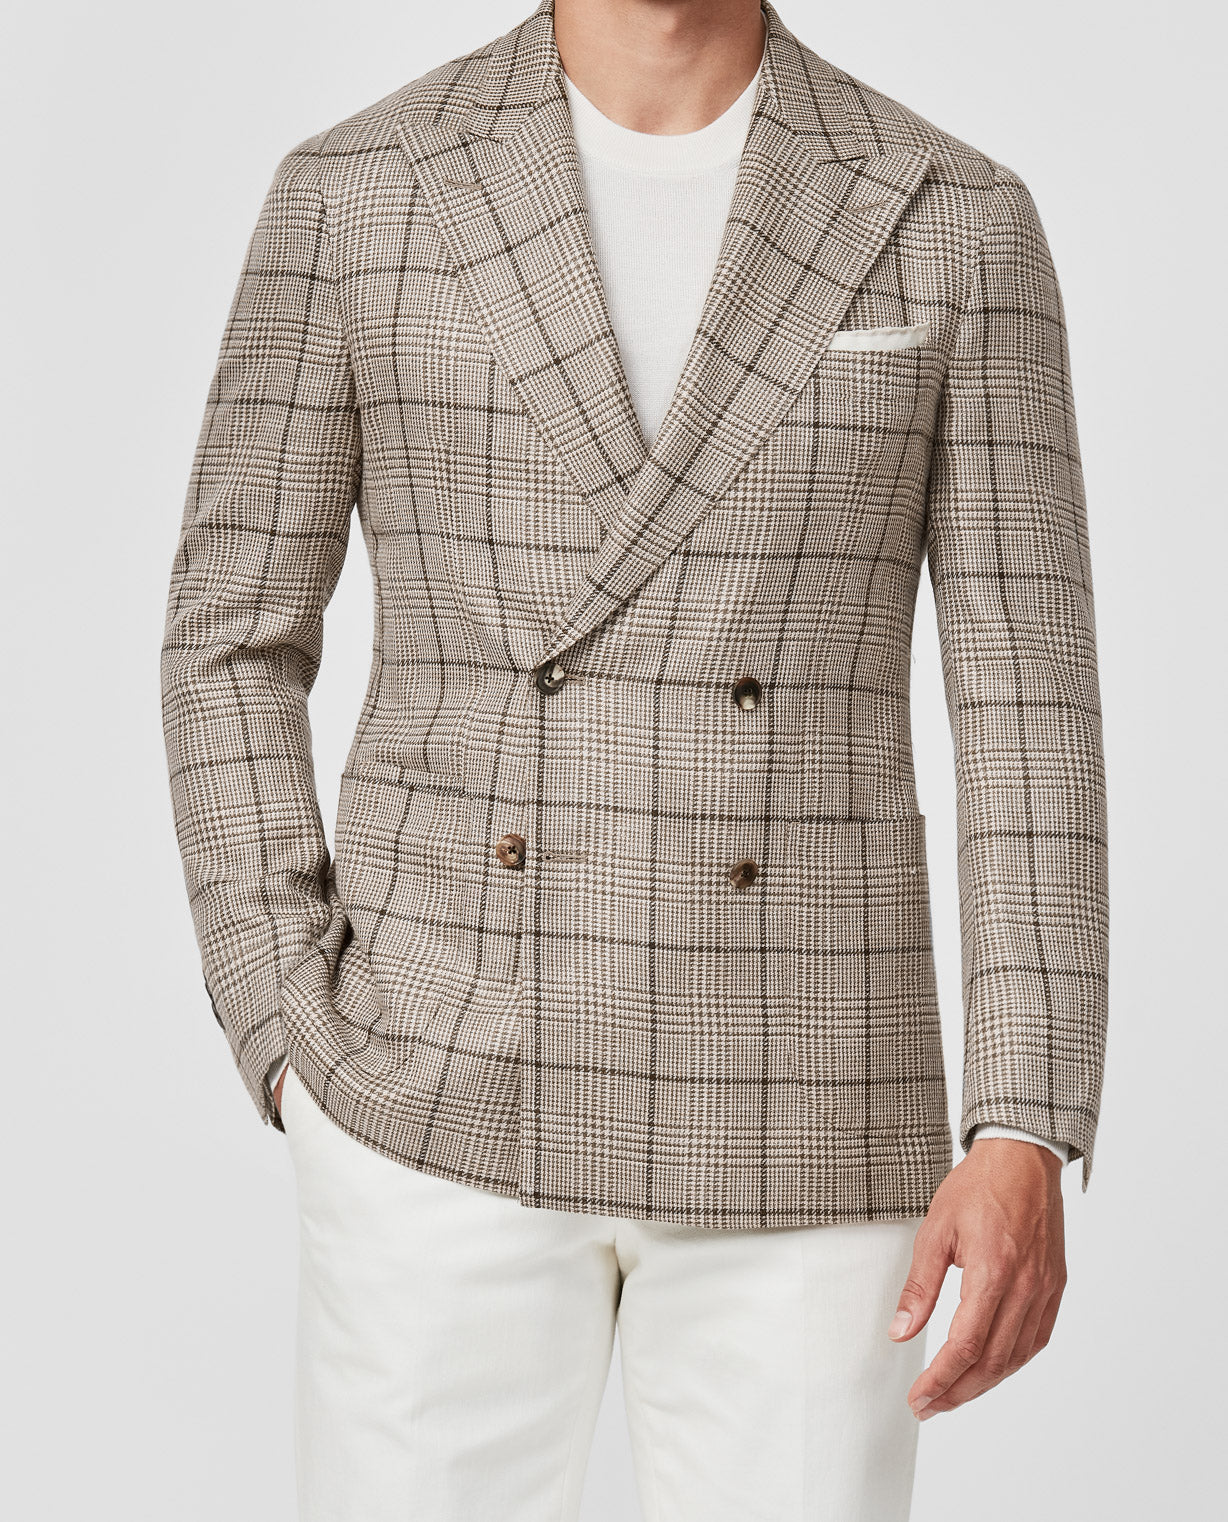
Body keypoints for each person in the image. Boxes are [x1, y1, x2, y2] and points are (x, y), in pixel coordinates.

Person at [159, 1, 1108, 1517]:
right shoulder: (359, 190)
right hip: (433, 1093)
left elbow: (1027, 703)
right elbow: (229, 636)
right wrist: (286, 1024)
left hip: (807, 1108)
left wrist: (1023, 1121)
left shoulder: (952, 214)